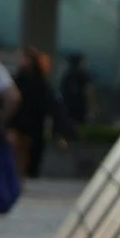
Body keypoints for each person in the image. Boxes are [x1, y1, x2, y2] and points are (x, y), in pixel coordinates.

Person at [11, 47, 55, 179]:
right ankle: (19, 177)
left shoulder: (34, 79)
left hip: (29, 120)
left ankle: (20, 177)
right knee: (20, 151)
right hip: (25, 120)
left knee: (24, 151)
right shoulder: (25, 77)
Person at [58, 52, 90, 140]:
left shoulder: (67, 75)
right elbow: (88, 90)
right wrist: (91, 105)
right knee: (79, 125)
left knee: (69, 123)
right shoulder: (82, 74)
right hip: (79, 105)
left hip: (68, 105)